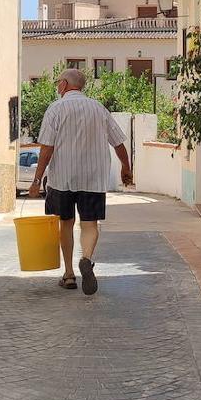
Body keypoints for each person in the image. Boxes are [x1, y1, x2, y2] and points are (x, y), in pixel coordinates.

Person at [28, 68, 133, 295]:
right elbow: (119, 143)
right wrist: (126, 167)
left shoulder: (56, 109)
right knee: (90, 224)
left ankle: (68, 274)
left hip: (62, 178)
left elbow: (47, 148)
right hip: (93, 177)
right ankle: (86, 258)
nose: (57, 86)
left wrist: (37, 180)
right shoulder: (99, 109)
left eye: (58, 83)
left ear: (64, 85)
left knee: (65, 223)